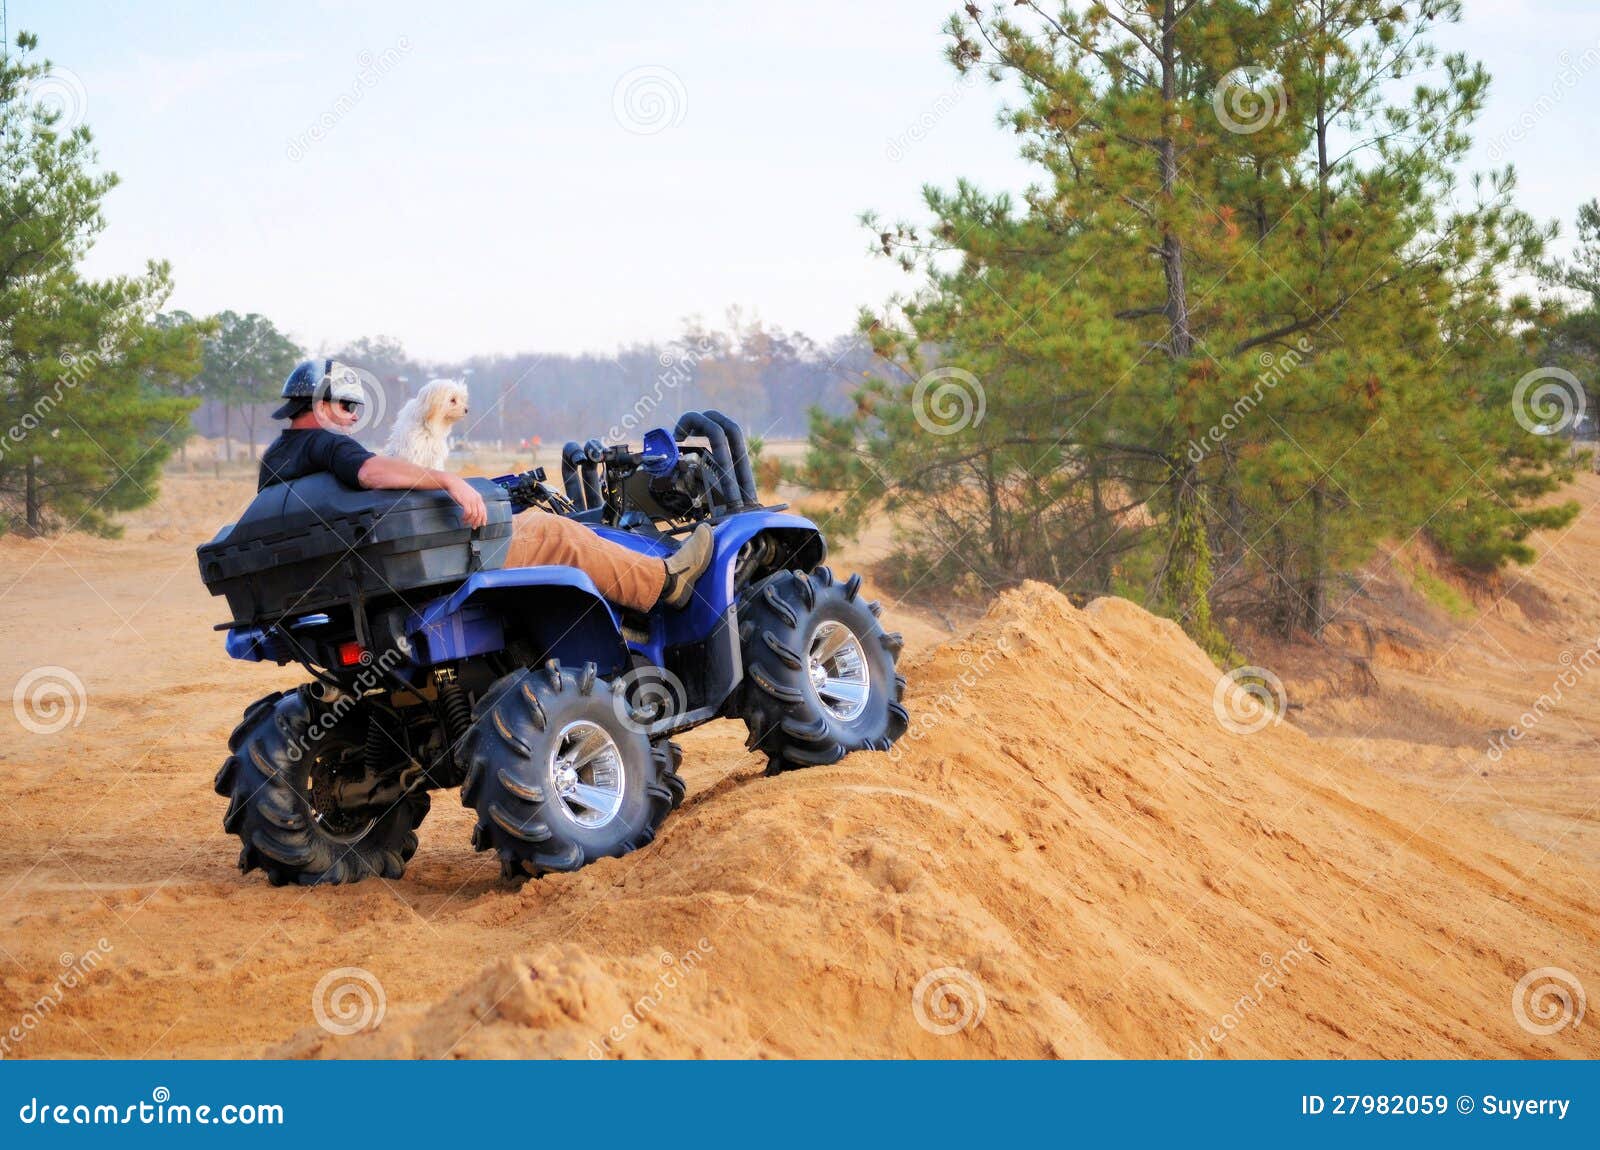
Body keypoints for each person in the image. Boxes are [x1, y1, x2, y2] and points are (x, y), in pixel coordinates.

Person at [259, 360, 713, 611]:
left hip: (359, 586)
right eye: (345, 405)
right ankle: (664, 582)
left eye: (357, 406)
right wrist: (449, 481)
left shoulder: (276, 464)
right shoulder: (327, 446)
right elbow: (372, 473)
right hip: (420, 572)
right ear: (316, 404)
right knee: (556, 531)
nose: (354, 416)